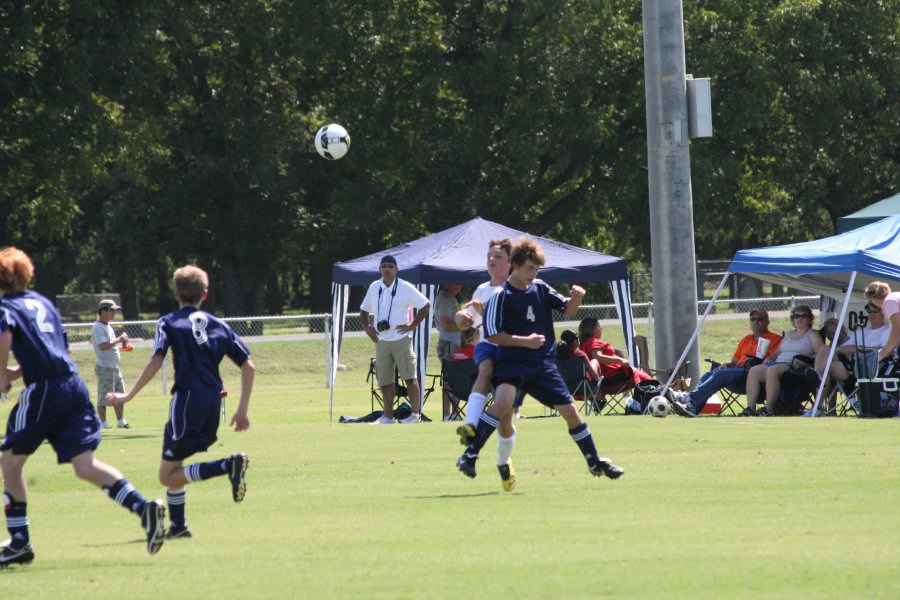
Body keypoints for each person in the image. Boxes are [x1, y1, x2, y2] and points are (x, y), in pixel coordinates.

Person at [0, 247, 165, 567]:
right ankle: (143, 508)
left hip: (45, 389)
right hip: (73, 386)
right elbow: (57, 345)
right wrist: (16, 372)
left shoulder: (3, 306)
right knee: (84, 465)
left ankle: (19, 542)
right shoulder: (42, 302)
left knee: (9, 462)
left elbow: (4, 337)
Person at [456, 236, 624, 484]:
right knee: (502, 405)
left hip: (543, 365)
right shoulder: (502, 295)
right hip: (512, 362)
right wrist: (525, 341)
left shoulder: (541, 288)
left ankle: (594, 460)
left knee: (570, 412)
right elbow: (492, 334)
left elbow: (567, 308)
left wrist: (576, 298)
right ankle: (470, 454)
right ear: (515, 264)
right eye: (529, 269)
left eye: (536, 269)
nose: (533, 274)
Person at [107, 265, 254, 540]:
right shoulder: (220, 324)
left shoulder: (168, 321)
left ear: (175, 293)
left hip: (186, 401)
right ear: (205, 294)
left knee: (168, 475)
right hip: (213, 401)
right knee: (177, 468)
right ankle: (178, 526)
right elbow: (249, 366)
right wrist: (242, 409)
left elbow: (156, 359)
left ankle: (228, 465)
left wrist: (129, 396)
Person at [453, 239, 519, 490]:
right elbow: (467, 318)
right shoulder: (481, 289)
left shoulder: (516, 288)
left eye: (499, 256)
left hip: (512, 354)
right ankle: (470, 427)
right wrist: (462, 317)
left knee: (506, 422)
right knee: (485, 369)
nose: (492, 259)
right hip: (487, 347)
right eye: (489, 256)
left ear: (511, 263)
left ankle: (504, 461)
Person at [669, 308, 782, 417]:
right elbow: (734, 362)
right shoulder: (746, 340)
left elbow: (772, 361)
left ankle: (689, 398)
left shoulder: (775, 339)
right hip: (737, 373)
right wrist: (725, 365)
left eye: (760, 319)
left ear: (767, 322)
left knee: (721, 375)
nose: (756, 322)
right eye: (753, 319)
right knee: (711, 373)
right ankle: (692, 408)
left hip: (753, 375)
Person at [359, 255, 431, 424]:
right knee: (385, 381)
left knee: (409, 378)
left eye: (391, 266)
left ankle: (415, 416)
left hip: (401, 339)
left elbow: (426, 305)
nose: (387, 269)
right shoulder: (374, 287)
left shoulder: (405, 287)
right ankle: (388, 416)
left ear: (396, 269)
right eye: (384, 266)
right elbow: (363, 310)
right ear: (380, 270)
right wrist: (368, 328)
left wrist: (412, 325)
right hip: (382, 340)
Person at [743, 305, 824, 416]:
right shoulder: (789, 334)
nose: (799, 319)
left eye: (803, 316)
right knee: (754, 370)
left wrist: (806, 361)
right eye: (796, 316)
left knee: (772, 370)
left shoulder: (812, 334)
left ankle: (769, 409)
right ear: (793, 319)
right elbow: (777, 353)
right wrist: (769, 358)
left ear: (810, 319)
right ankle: (750, 409)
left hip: (796, 367)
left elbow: (821, 353)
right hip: (778, 363)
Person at [803, 302, 890, 399]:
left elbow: (885, 350)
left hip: (866, 369)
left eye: (875, 311)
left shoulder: (887, 331)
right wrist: (842, 348)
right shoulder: (860, 331)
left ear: (884, 313)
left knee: (826, 367)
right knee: (825, 351)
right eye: (869, 311)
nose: (872, 314)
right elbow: (839, 348)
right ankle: (818, 405)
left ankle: (819, 382)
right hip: (847, 366)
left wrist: (856, 348)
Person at [577, 317, 653, 392]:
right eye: (598, 326)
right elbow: (597, 357)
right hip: (613, 378)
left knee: (643, 377)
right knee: (648, 380)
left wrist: (617, 352)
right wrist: (620, 360)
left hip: (607, 378)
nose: (601, 328)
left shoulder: (585, 343)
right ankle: (654, 397)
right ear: (591, 330)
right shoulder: (593, 341)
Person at [92, 299, 131, 429]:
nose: (114, 313)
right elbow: (103, 346)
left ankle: (120, 421)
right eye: (112, 310)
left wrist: (122, 347)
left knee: (120, 395)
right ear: (103, 311)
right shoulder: (98, 327)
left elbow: (109, 346)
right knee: (104, 397)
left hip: (114, 367)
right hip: (105, 367)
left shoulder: (108, 326)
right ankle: (103, 423)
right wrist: (119, 339)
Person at [434, 284, 463, 419]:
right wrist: (465, 326)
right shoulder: (445, 298)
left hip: (454, 343)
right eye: (458, 282)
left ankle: (455, 413)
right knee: (449, 381)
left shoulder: (452, 298)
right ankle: (447, 415)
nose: (461, 285)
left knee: (456, 380)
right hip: (448, 344)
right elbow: (446, 325)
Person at [864, 281, 900, 363]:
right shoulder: (894, 297)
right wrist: (888, 350)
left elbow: (897, 326)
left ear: (872, 298)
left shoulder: (888, 302)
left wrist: (885, 350)